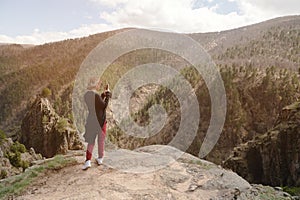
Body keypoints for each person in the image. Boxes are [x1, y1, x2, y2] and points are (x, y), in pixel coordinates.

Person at [82, 78, 111, 170]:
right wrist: (108, 95)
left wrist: (102, 95)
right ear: (94, 85)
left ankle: (88, 161)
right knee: (101, 140)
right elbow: (103, 106)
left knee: (91, 141)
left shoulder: (86, 95)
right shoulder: (96, 96)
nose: (99, 86)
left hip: (91, 121)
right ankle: (100, 158)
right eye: (98, 84)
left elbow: (96, 104)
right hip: (100, 121)